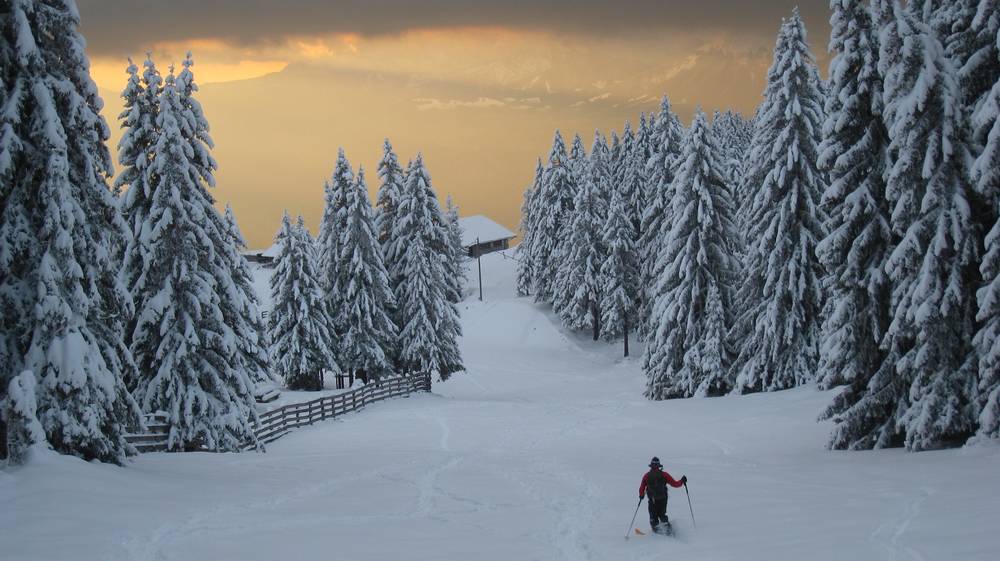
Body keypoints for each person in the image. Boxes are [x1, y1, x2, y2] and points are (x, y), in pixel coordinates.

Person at [638, 456, 686, 534]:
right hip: (663, 499)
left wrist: (641, 495)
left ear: (651, 465)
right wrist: (682, 481)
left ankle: (657, 534)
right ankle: (669, 532)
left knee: (653, 518)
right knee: (662, 516)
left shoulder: (647, 476)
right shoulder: (664, 475)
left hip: (652, 501)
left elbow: (642, 487)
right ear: (659, 465)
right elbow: (675, 484)